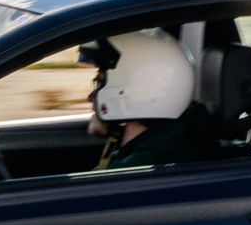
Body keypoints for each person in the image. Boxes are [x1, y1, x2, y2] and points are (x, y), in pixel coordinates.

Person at [80, 30, 219, 169]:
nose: (90, 97)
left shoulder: (153, 159)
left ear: (139, 89)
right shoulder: (173, 139)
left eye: (100, 83)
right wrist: (114, 132)